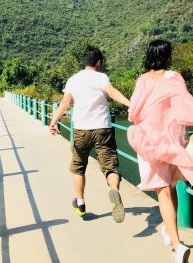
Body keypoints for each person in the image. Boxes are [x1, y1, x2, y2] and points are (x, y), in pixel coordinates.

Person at [127, 40, 193, 263]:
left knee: (162, 190)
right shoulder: (174, 76)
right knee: (170, 185)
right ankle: (170, 231)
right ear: (168, 57)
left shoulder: (143, 80)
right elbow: (184, 102)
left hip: (149, 140)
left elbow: (133, 112)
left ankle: (177, 245)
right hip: (173, 139)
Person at [49, 46, 131, 222]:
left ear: (84, 62)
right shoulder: (101, 77)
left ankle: (80, 203)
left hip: (81, 130)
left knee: (78, 167)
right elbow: (112, 92)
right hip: (103, 129)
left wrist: (53, 122)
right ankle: (114, 192)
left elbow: (64, 103)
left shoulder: (73, 79)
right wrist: (131, 105)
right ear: (99, 62)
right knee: (110, 166)